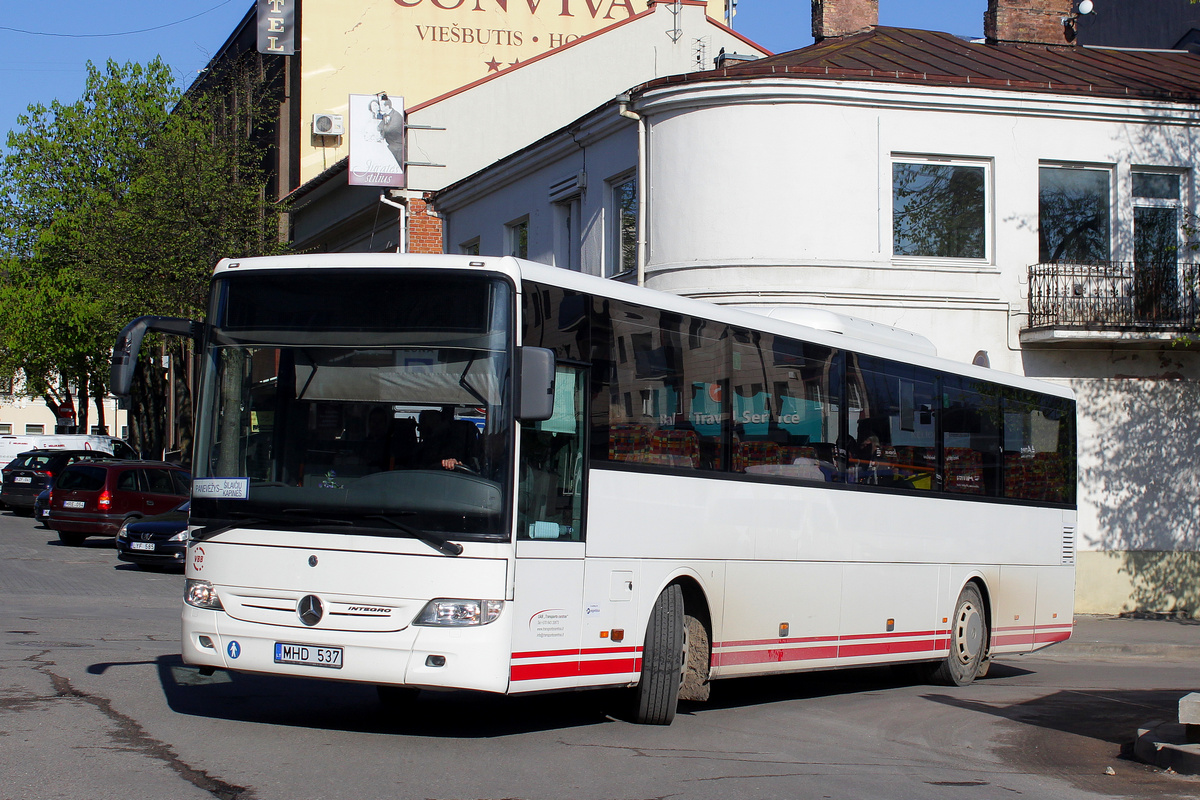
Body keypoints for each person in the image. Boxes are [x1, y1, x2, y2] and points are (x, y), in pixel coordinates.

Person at [376, 93, 404, 169]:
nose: (380, 107)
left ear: (387, 106)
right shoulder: (386, 115)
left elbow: (390, 129)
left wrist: (384, 128)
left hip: (396, 147)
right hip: (389, 144)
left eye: (381, 105)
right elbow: (379, 127)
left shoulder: (397, 116)